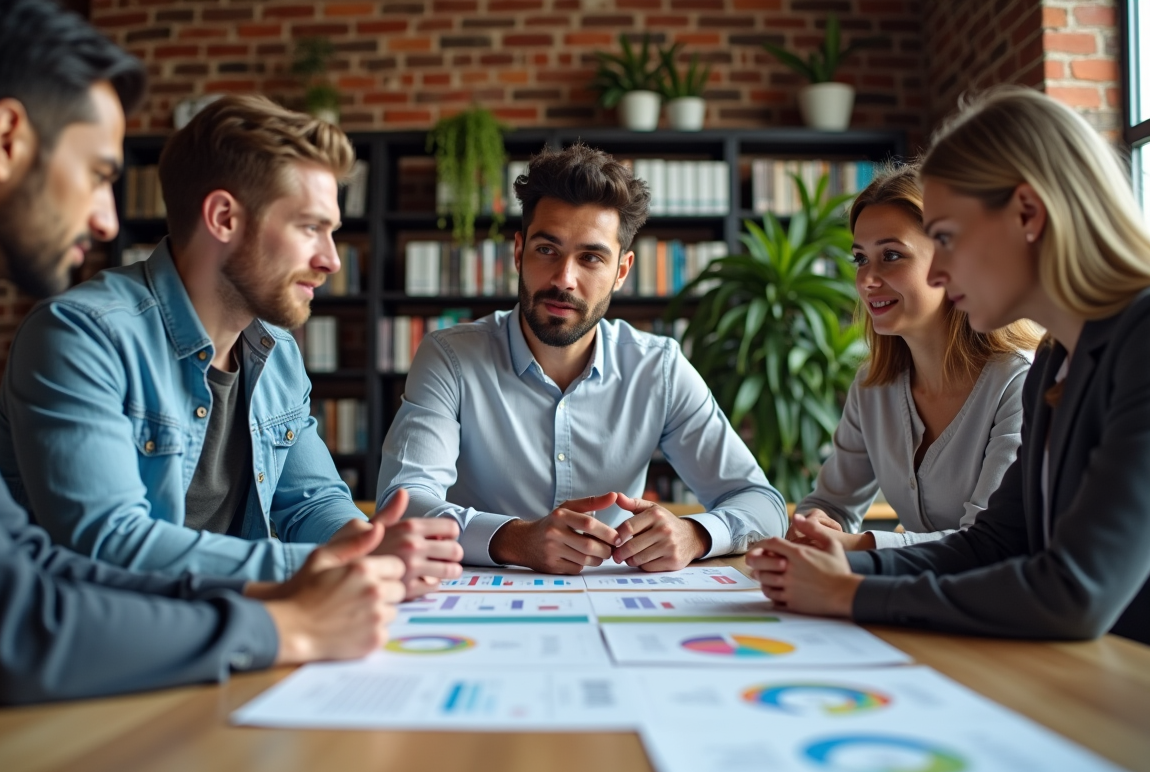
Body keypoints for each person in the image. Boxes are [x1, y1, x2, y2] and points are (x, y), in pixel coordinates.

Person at [0, 0, 409, 704]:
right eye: (101, 174)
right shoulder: (80, 332)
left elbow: (26, 568)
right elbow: (40, 598)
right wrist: (290, 615)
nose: (107, 219)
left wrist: (358, 556)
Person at [0, 94, 461, 597]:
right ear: (223, 218)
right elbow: (108, 541)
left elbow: (311, 501)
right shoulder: (81, 336)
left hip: (232, 625)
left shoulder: (276, 351)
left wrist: (368, 548)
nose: (331, 260)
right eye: (310, 228)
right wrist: (325, 566)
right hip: (99, 646)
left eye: (333, 233)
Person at [747, 86, 1150, 645]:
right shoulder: (1057, 363)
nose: (937, 274)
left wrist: (850, 592)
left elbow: (1074, 592)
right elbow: (994, 544)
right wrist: (841, 573)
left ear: (1028, 214)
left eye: (947, 239)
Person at [377, 144, 786, 575]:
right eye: (546, 250)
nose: (563, 279)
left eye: (591, 257)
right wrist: (515, 539)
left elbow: (762, 503)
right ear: (518, 252)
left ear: (622, 271)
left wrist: (697, 534)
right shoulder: (450, 357)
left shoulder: (659, 368)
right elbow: (402, 504)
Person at [790, 164, 1040, 549]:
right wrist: (817, 524)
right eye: (860, 258)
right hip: (916, 598)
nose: (867, 279)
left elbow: (990, 543)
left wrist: (863, 547)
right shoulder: (873, 384)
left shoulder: (1020, 382)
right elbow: (830, 503)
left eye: (891, 255)